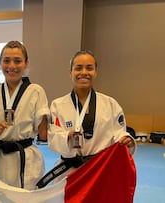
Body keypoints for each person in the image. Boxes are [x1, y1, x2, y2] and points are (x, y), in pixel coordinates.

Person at [38, 50, 136, 187]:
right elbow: (53, 137)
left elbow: (118, 132)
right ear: (70, 72)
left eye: (89, 68)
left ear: (96, 72)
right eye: (78, 68)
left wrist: (126, 139)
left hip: (99, 172)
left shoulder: (110, 104)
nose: (84, 72)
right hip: (69, 173)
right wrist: (67, 136)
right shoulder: (57, 105)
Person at [0, 40, 49, 190]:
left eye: (17, 61)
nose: (11, 66)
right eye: (6, 61)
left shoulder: (36, 91)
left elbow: (43, 130)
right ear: (0, 63)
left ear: (26, 64)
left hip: (25, 159)